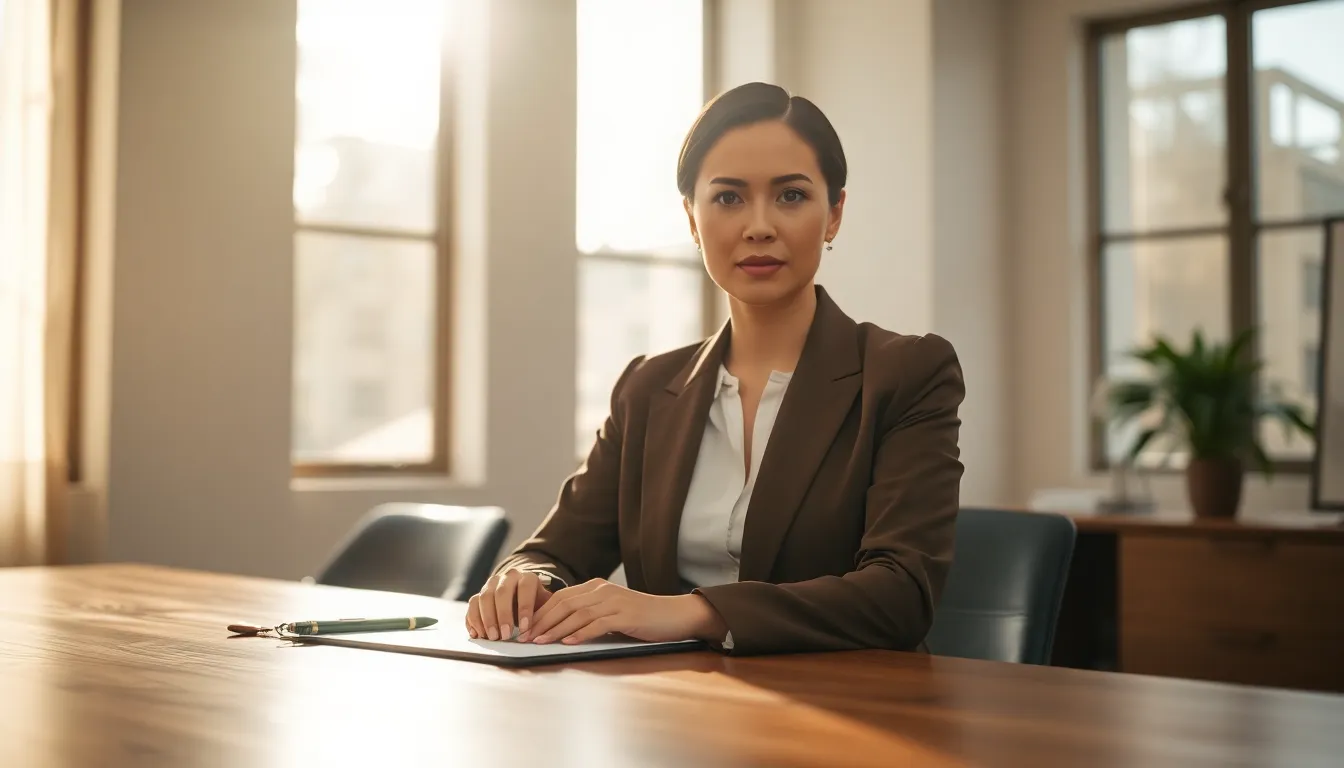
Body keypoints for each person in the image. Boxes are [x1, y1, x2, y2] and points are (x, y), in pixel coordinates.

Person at [464, 82, 965, 655]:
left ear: (834, 215)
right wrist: (525, 579)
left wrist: (694, 612)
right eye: (728, 198)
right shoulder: (648, 387)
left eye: (792, 196)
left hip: (853, 712)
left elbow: (901, 595)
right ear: (692, 218)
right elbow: (554, 550)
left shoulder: (906, 374)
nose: (759, 226)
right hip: (678, 712)